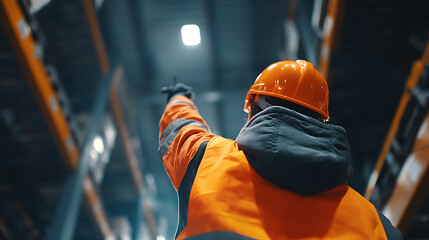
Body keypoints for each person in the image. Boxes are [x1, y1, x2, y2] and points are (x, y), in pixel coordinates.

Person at [159, 60, 402, 240]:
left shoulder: (205, 160)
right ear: (320, 119)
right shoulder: (374, 225)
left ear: (254, 109)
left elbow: (180, 126)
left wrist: (179, 96)